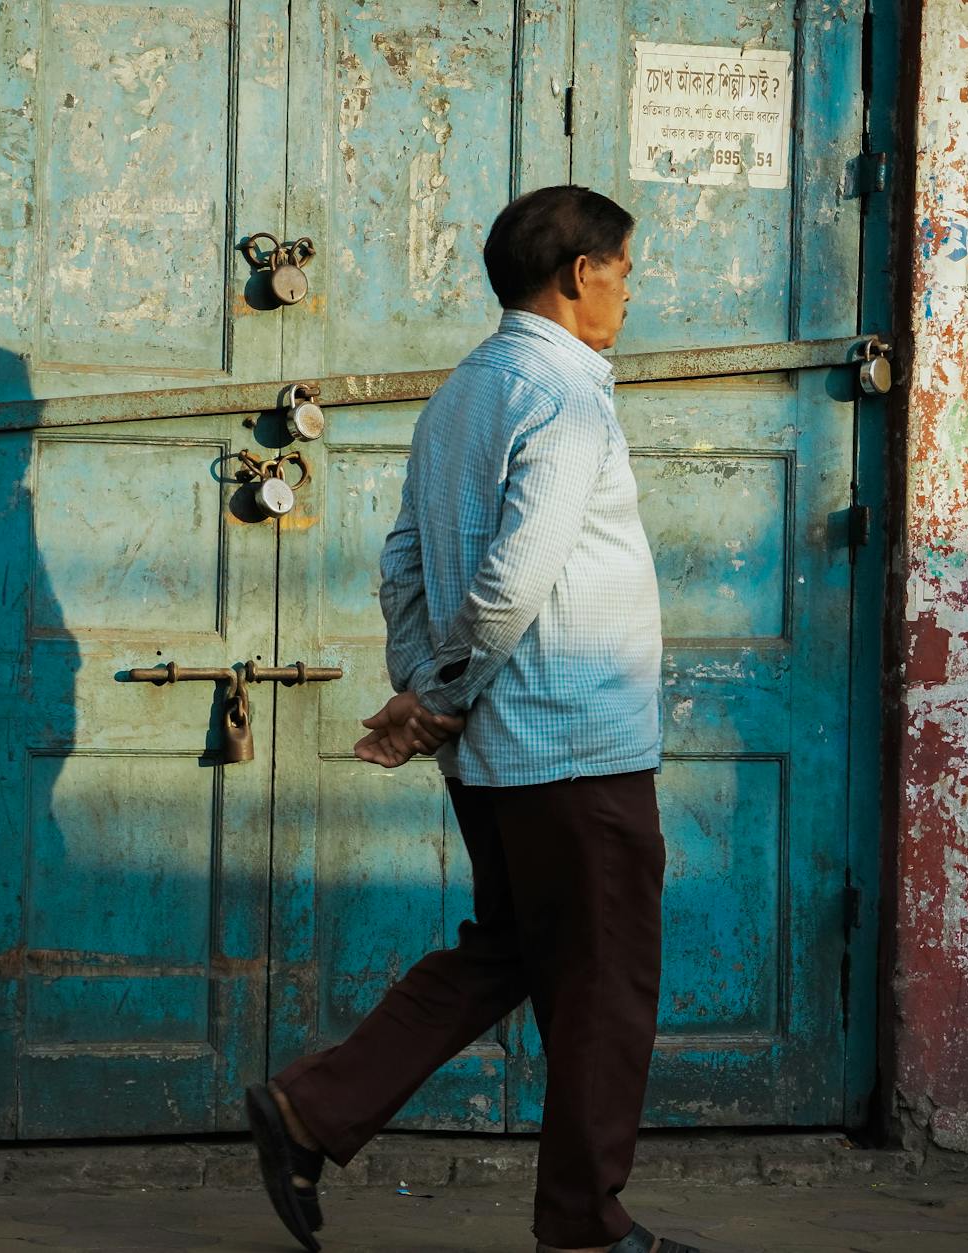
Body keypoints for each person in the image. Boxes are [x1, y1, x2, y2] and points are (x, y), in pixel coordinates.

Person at [245, 186, 693, 1253]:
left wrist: (425, 691)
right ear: (578, 272)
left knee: (508, 949)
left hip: (497, 749)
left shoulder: (462, 391)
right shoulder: (565, 396)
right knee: (604, 988)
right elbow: (515, 574)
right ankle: (585, 1228)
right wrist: (433, 699)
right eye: (623, 270)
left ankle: (313, 1107)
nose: (628, 291)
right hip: (572, 744)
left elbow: (402, 557)